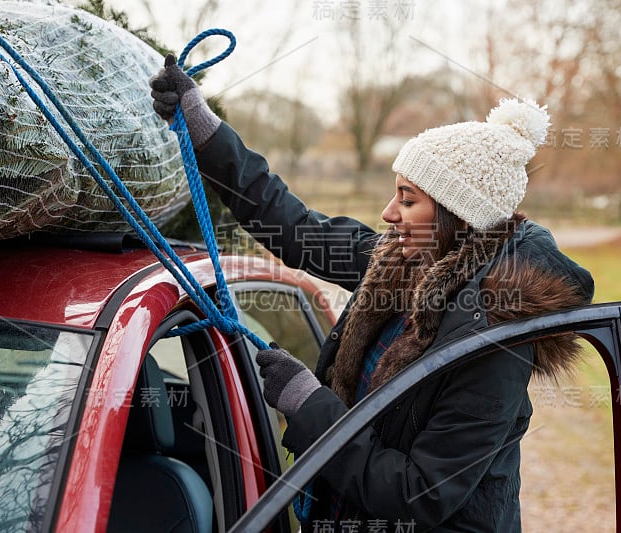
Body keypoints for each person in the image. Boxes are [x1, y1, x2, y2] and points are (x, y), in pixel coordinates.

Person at [150, 55, 594, 532]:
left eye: (407, 199)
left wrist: (308, 405)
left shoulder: (492, 342)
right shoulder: (399, 263)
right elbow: (294, 227)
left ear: (457, 215)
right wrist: (203, 127)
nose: (387, 213)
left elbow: (419, 493)